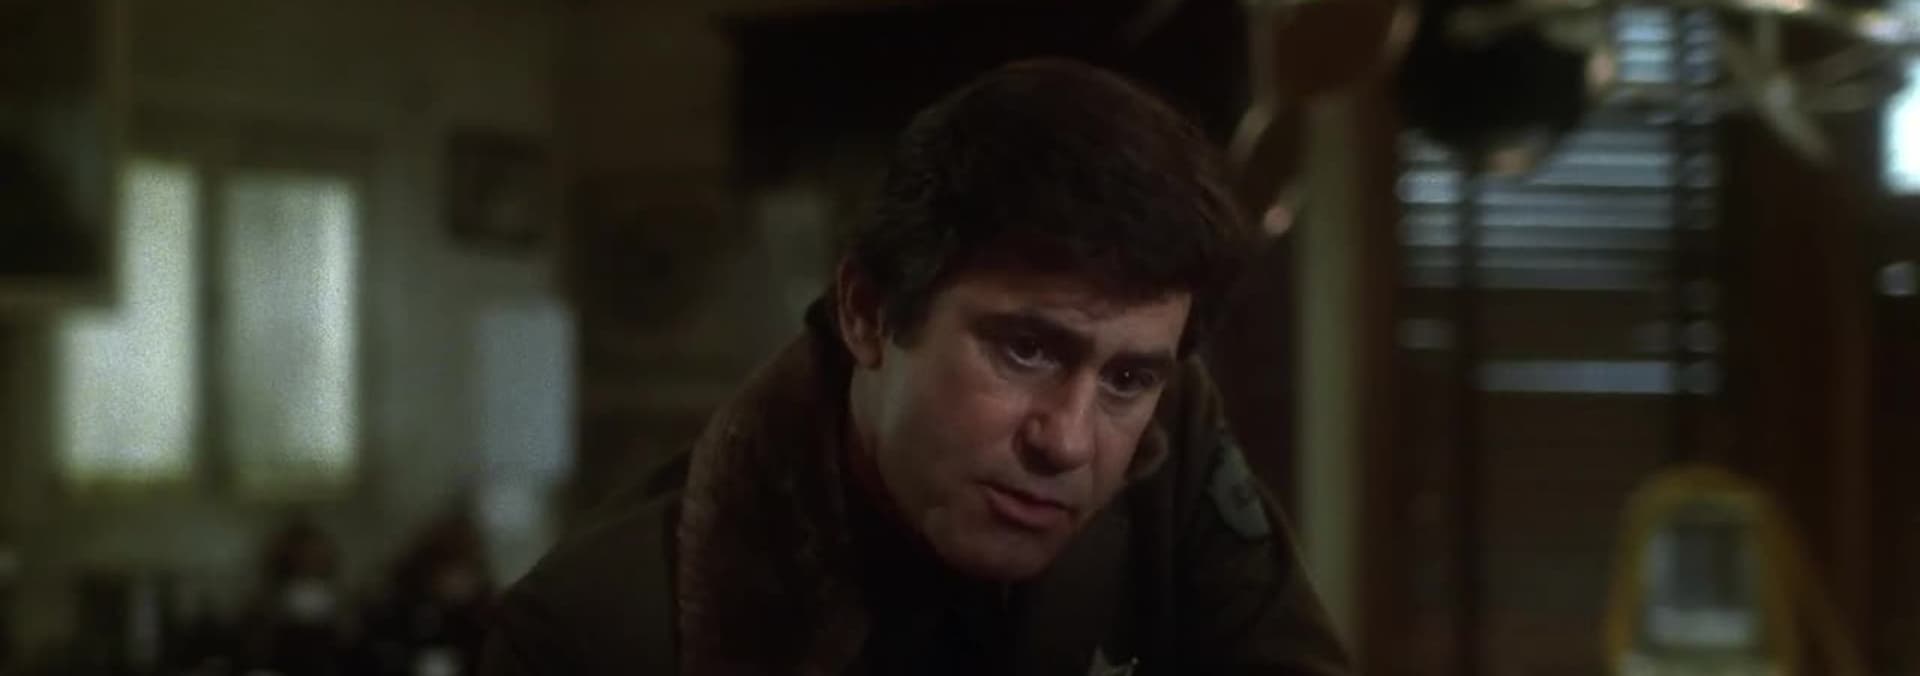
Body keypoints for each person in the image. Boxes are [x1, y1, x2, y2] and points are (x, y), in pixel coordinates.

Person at [481, 59, 1349, 675]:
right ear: (868, 312)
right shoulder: (596, 634)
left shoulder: (1170, 432)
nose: (1068, 440)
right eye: (1025, 349)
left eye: (1127, 379)